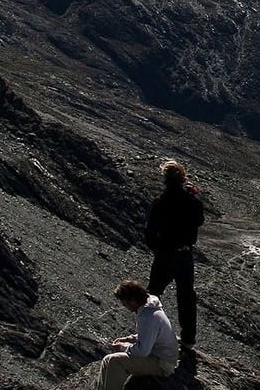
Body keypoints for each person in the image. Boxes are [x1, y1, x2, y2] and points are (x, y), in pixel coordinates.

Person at [145, 159, 204, 348]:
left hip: (165, 253)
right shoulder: (191, 201)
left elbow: (150, 232)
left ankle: (149, 335)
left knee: (153, 295)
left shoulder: (160, 202)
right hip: (185, 255)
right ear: (182, 178)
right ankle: (188, 339)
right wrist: (194, 197)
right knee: (186, 295)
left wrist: (158, 248)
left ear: (165, 179)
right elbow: (199, 221)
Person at [99, 280, 177, 390]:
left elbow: (143, 351)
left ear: (133, 300)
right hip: (161, 357)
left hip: (162, 363)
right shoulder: (151, 308)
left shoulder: (148, 317)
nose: (124, 306)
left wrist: (122, 347)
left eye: (124, 303)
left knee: (113, 361)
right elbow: (151, 335)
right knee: (107, 361)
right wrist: (129, 339)